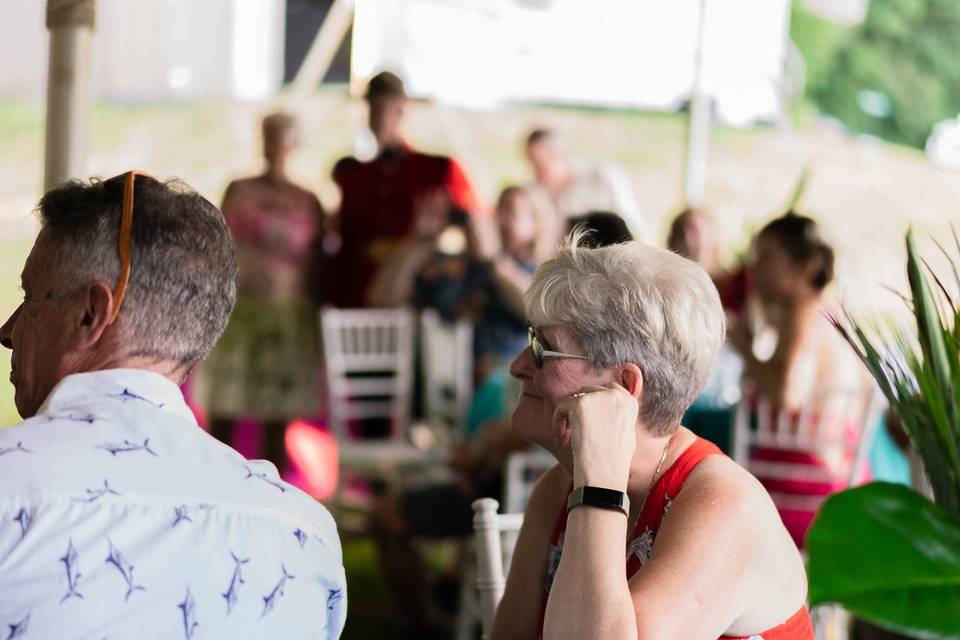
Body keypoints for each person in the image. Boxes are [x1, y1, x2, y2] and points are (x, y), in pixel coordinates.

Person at [0, 174, 346, 638]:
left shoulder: (9, 491)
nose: (7, 330)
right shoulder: (303, 536)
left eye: (29, 299)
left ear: (89, 314)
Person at [492, 235, 813, 640]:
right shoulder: (557, 490)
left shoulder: (726, 509)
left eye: (543, 349)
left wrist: (600, 486)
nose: (518, 366)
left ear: (624, 387)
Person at [729, 212, 870, 547]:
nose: (755, 269)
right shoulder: (832, 313)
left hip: (801, 491)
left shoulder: (802, 312)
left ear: (803, 266)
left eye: (767, 258)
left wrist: (746, 349)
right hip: (846, 484)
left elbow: (786, 394)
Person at [199, 112, 325, 472]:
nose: (277, 146)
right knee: (224, 409)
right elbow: (217, 244)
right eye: (271, 137)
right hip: (240, 312)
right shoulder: (240, 190)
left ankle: (271, 493)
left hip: (286, 316)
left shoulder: (307, 200)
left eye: (284, 138)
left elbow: (316, 263)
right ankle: (215, 483)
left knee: (277, 416)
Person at [328, 71, 482, 308]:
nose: (378, 118)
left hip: (414, 290)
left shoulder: (437, 170)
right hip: (358, 292)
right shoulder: (353, 175)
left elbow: (473, 223)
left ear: (401, 111)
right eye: (374, 109)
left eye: (386, 109)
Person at [525, 128, 651, 243]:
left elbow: (632, 224)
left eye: (539, 166)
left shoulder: (603, 177)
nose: (535, 175)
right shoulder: (543, 194)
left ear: (559, 156)